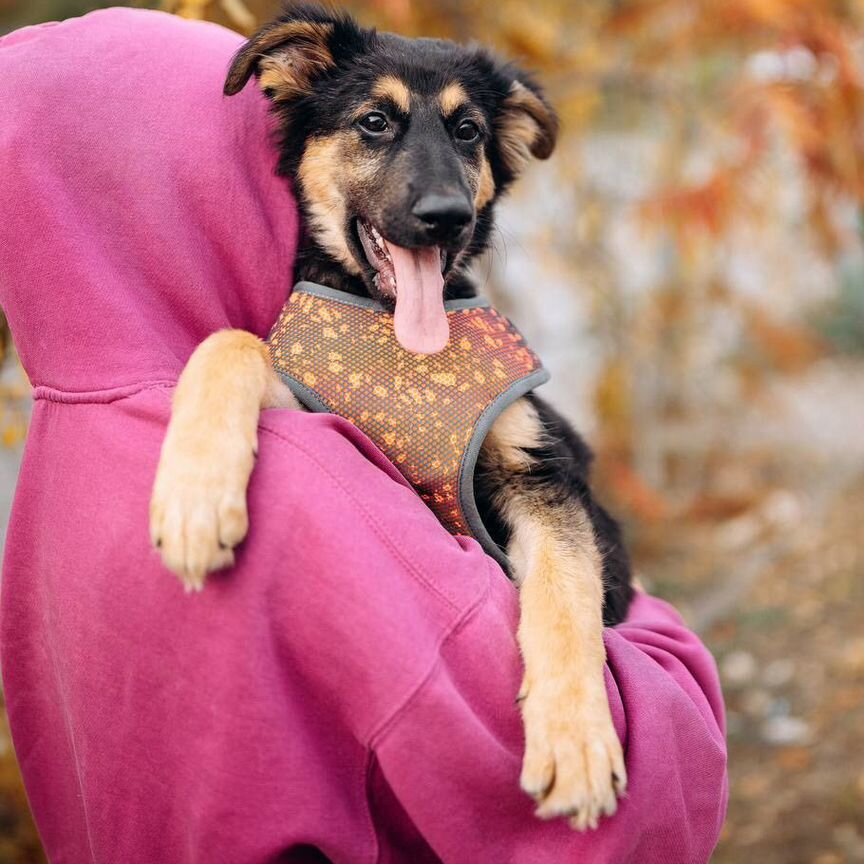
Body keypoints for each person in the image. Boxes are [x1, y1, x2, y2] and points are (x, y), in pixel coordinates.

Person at [0, 8, 728, 863]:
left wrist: (569, 675)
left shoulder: (58, 491)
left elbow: (547, 500)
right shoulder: (282, 420)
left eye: (465, 137)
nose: (441, 190)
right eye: (374, 126)